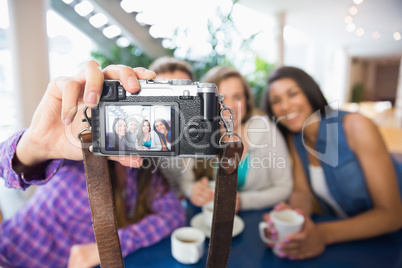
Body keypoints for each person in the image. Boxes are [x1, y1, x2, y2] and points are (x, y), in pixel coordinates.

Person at [0, 61, 186, 267]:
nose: (166, 113)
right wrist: (34, 144)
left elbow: (174, 214)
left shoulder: (143, 171)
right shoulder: (80, 141)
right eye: (160, 97)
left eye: (182, 101)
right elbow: (5, 169)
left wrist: (106, 247)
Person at [261, 66, 402, 260]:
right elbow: (302, 193)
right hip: (350, 244)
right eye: (276, 101)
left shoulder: (356, 126)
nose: (284, 106)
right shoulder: (295, 139)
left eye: (292, 94)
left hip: (389, 242)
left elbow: (392, 216)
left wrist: (322, 234)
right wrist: (291, 220)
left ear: (310, 92)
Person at [180, 66, 293, 212]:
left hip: (254, 219)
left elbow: (284, 188)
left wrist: (243, 201)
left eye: (237, 97)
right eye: (220, 98)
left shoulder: (266, 130)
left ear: (246, 100)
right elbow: (185, 183)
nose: (230, 106)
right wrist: (192, 191)